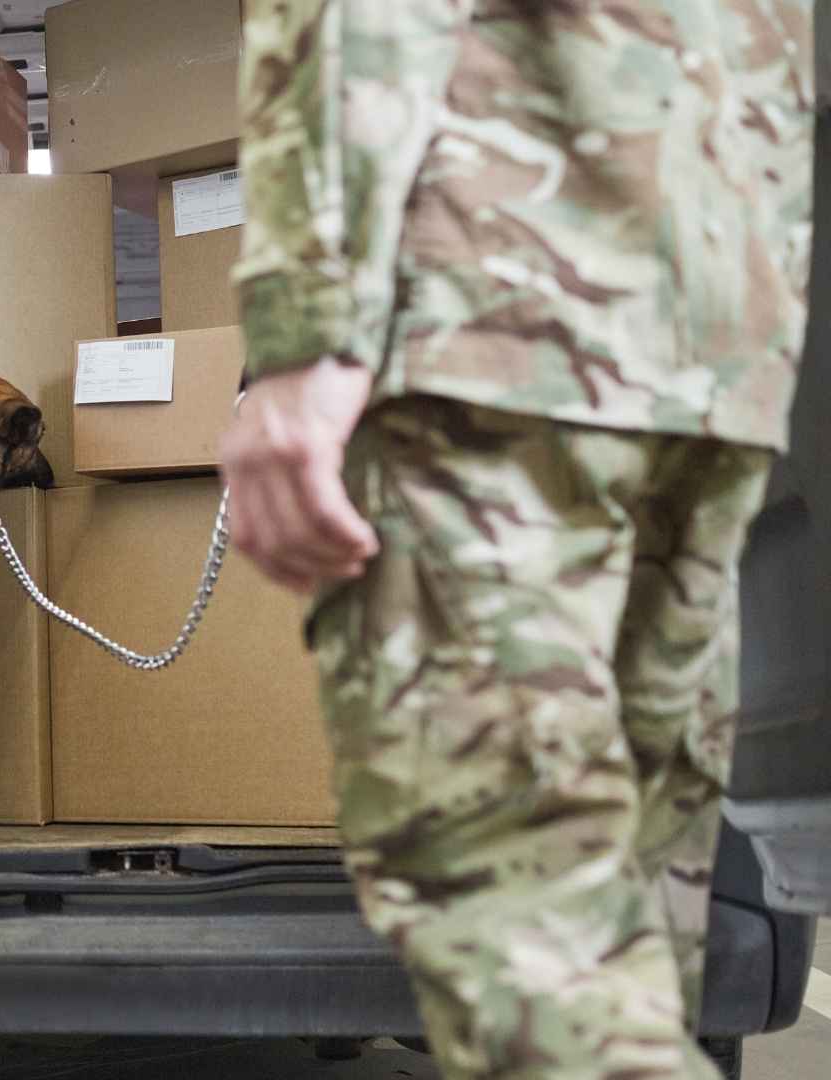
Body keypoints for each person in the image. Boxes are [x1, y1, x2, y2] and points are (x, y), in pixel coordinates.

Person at [217, 2, 815, 1077]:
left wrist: (309, 330)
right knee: (635, 910)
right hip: (722, 335)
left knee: (513, 886)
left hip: (494, 319)